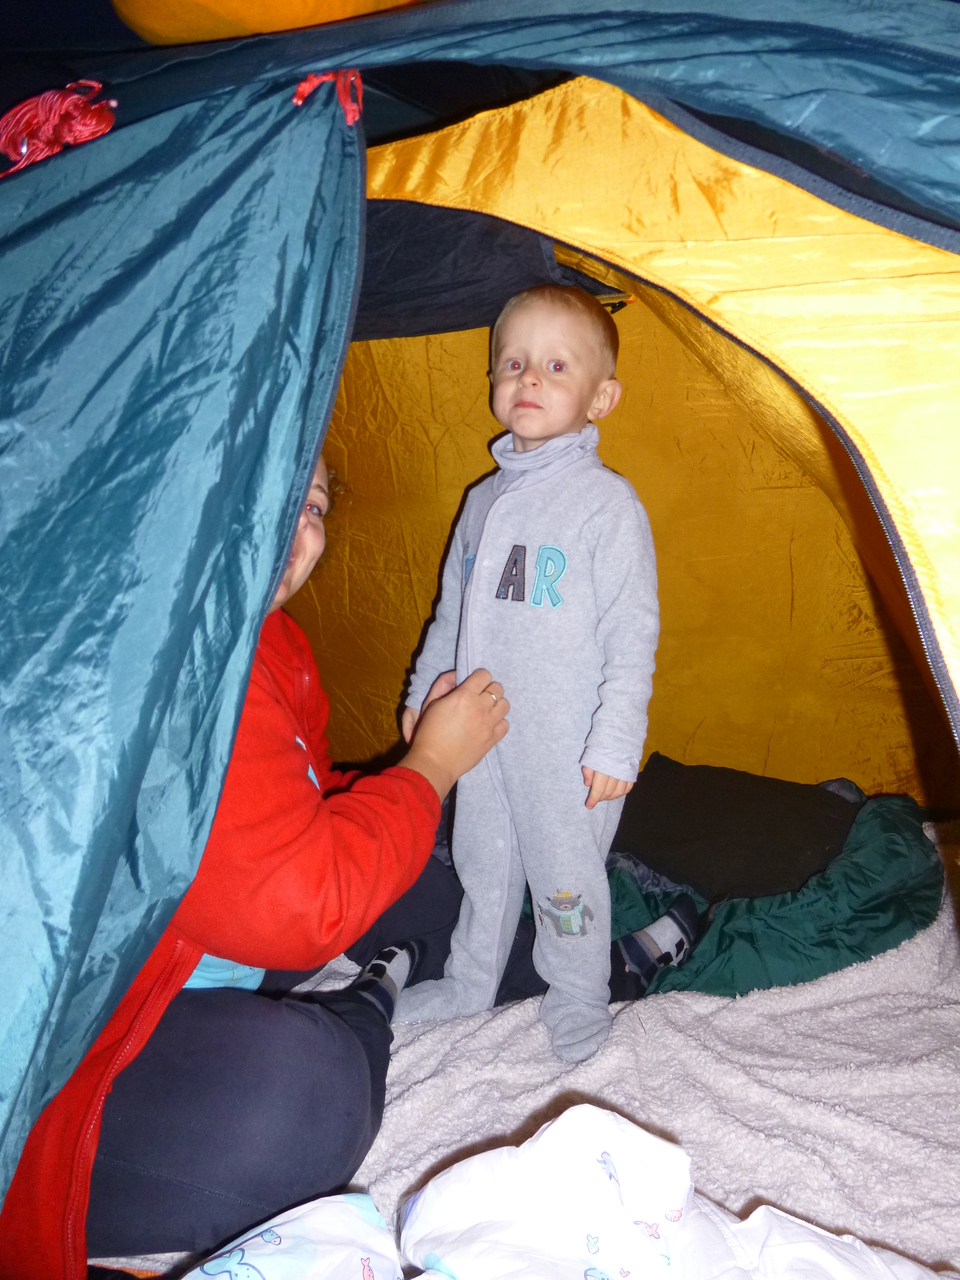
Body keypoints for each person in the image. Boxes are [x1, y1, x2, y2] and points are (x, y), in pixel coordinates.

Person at [0, 455, 509, 1277]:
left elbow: (301, 798)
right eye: (267, 481)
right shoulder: (148, 649)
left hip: (201, 954)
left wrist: (411, 780)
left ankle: (584, 964)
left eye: (314, 506)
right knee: (306, 1097)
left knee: (432, 873)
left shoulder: (271, 641)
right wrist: (429, 768)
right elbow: (298, 904)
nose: (295, 524)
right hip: (62, 1065)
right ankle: (369, 1005)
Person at [397, 285, 666, 1064]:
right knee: (482, 862)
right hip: (481, 732)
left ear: (600, 398)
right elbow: (450, 615)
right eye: (512, 363)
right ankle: (469, 980)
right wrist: (424, 695)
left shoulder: (605, 505)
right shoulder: (481, 503)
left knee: (564, 876)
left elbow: (631, 633)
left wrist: (616, 740)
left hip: (566, 748)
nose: (529, 379)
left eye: (556, 366)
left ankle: (578, 994)